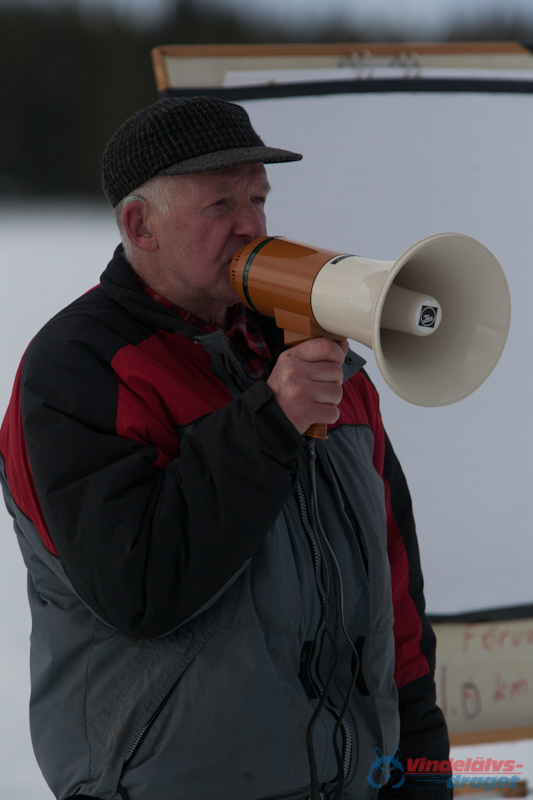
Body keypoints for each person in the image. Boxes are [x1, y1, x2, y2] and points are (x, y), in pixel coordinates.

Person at [0, 96, 451, 800]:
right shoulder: (79, 368)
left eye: (258, 198)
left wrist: (422, 766)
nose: (252, 226)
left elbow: (393, 601)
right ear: (138, 224)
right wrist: (270, 422)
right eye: (220, 205)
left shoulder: (323, 366)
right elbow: (141, 589)